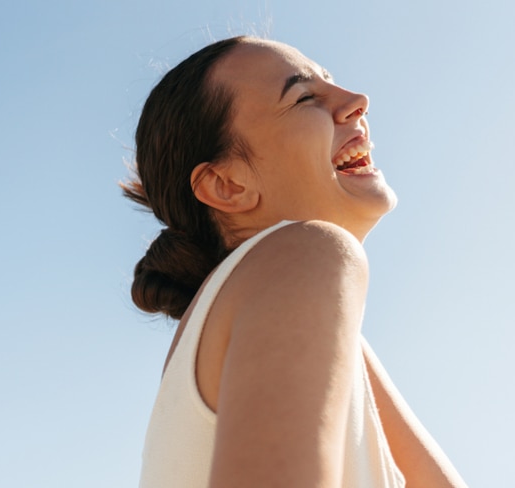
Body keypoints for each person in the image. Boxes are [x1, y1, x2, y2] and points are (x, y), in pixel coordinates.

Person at [121, 36, 467, 488]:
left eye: (333, 83)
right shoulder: (308, 250)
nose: (357, 101)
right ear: (227, 184)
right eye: (305, 97)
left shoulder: (291, 297)